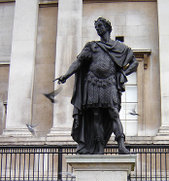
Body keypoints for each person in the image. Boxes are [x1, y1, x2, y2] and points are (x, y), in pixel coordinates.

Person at [57, 17, 138, 154]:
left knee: (113, 113)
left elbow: (134, 63)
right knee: (96, 116)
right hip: (93, 83)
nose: (98, 29)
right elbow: (78, 62)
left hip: (110, 82)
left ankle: (121, 145)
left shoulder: (119, 47)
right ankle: (99, 148)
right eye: (96, 27)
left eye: (100, 26)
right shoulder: (92, 46)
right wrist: (66, 75)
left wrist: (123, 74)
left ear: (107, 27)